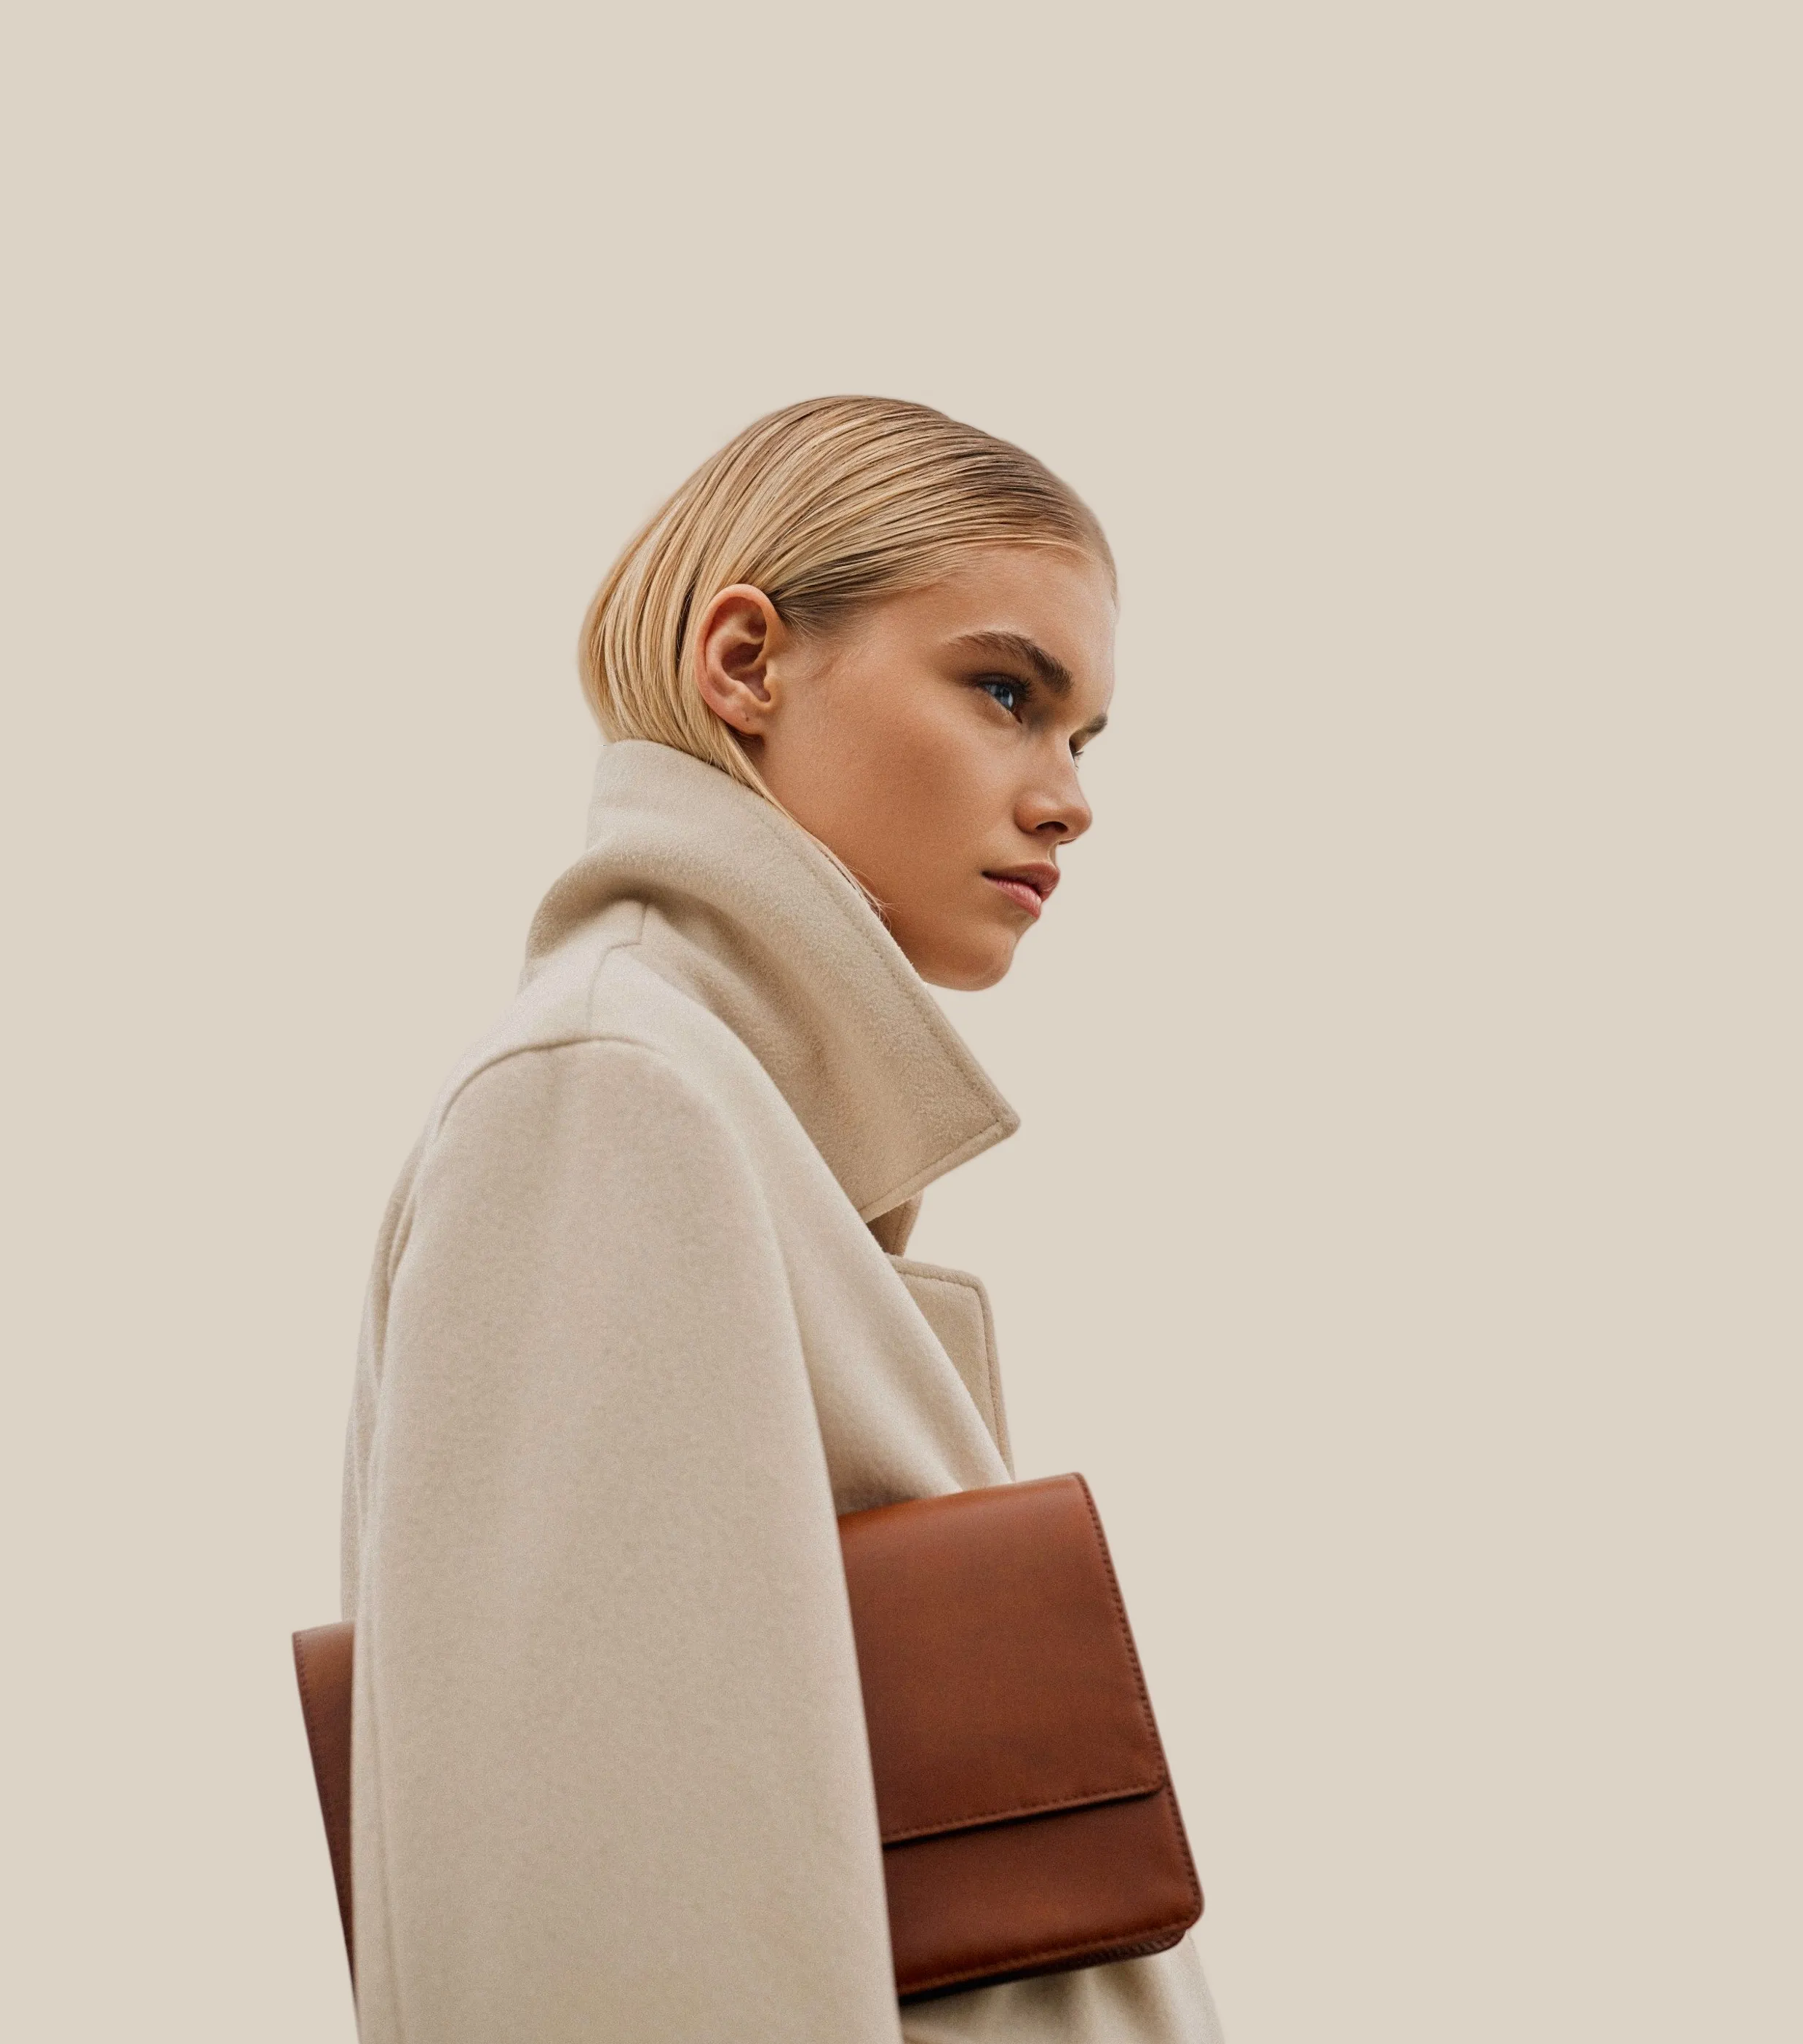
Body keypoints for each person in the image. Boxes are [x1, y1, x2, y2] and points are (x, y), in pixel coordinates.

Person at [333, 397, 1224, 2042]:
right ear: (744, 662)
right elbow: (606, 1920)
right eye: (1008, 693)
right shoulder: (606, 1097)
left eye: (1081, 737)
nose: (1066, 797)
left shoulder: (721, 1124)